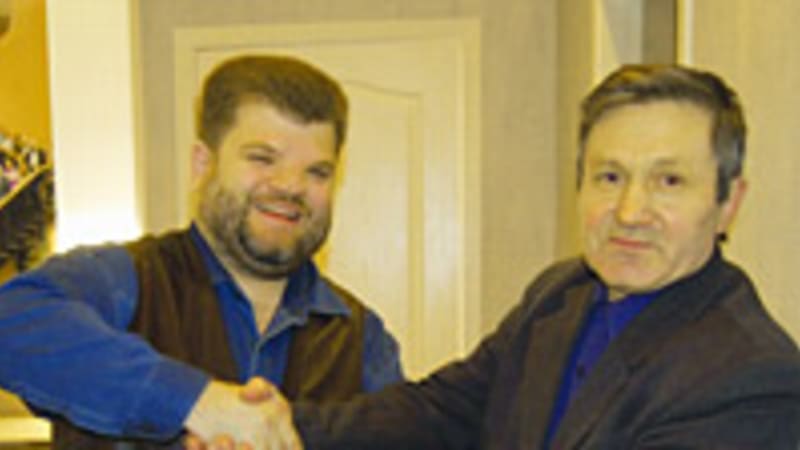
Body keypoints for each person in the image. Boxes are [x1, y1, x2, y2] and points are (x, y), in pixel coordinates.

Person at [198, 64, 800, 449]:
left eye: (669, 182)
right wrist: (277, 425)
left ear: (727, 203)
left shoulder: (751, 378)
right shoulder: (561, 293)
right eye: (609, 176)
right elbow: (446, 408)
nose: (630, 210)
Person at [0, 55, 403, 449]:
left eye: (317, 172)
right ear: (202, 164)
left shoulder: (363, 340)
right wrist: (195, 403)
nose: (290, 186)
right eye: (263, 159)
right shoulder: (125, 280)